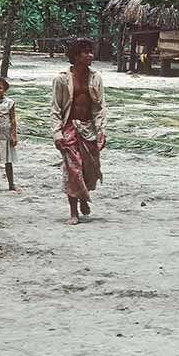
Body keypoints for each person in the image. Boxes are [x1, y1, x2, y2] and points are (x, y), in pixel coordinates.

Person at [51, 38, 106, 225]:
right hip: (69, 128)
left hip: (88, 128)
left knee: (89, 169)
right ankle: (73, 212)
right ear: (76, 55)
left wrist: (101, 130)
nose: (90, 55)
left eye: (91, 51)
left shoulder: (95, 78)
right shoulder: (62, 79)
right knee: (72, 170)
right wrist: (57, 133)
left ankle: (84, 196)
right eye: (85, 52)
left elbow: (99, 106)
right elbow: (56, 108)